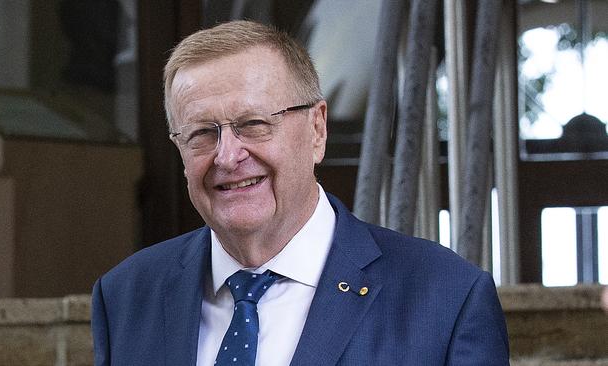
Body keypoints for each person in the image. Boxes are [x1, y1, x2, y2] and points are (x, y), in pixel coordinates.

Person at [91, 20, 509, 365]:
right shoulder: (126, 298)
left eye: (253, 123)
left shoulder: (446, 298)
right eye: (202, 133)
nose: (228, 156)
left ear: (317, 129)